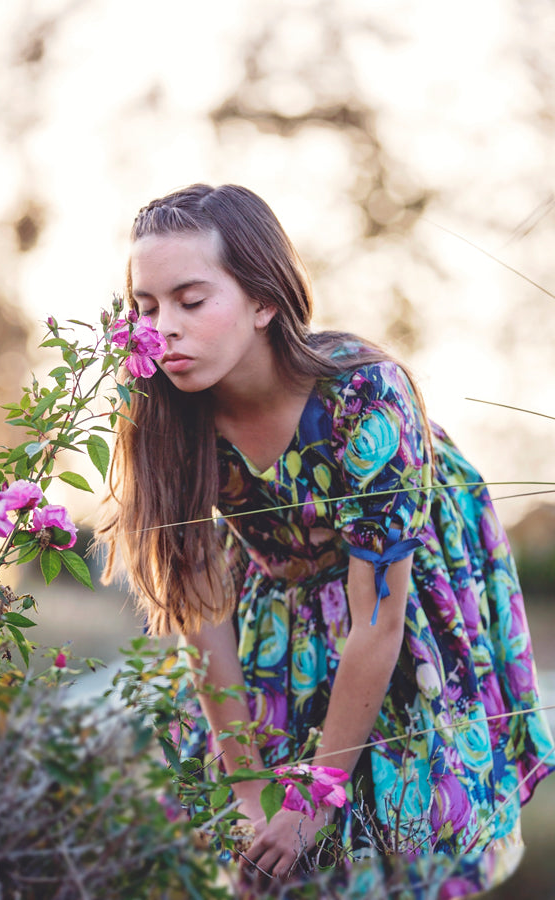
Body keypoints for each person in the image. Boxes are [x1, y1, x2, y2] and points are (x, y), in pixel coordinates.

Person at [97, 183, 554, 892]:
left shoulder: (363, 396)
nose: (164, 328)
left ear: (263, 301)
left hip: (401, 591)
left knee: (398, 823)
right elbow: (199, 600)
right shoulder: (163, 405)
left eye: (191, 300)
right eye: (146, 307)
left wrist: (318, 795)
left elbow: (380, 617)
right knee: (268, 851)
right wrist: (248, 784)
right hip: (276, 592)